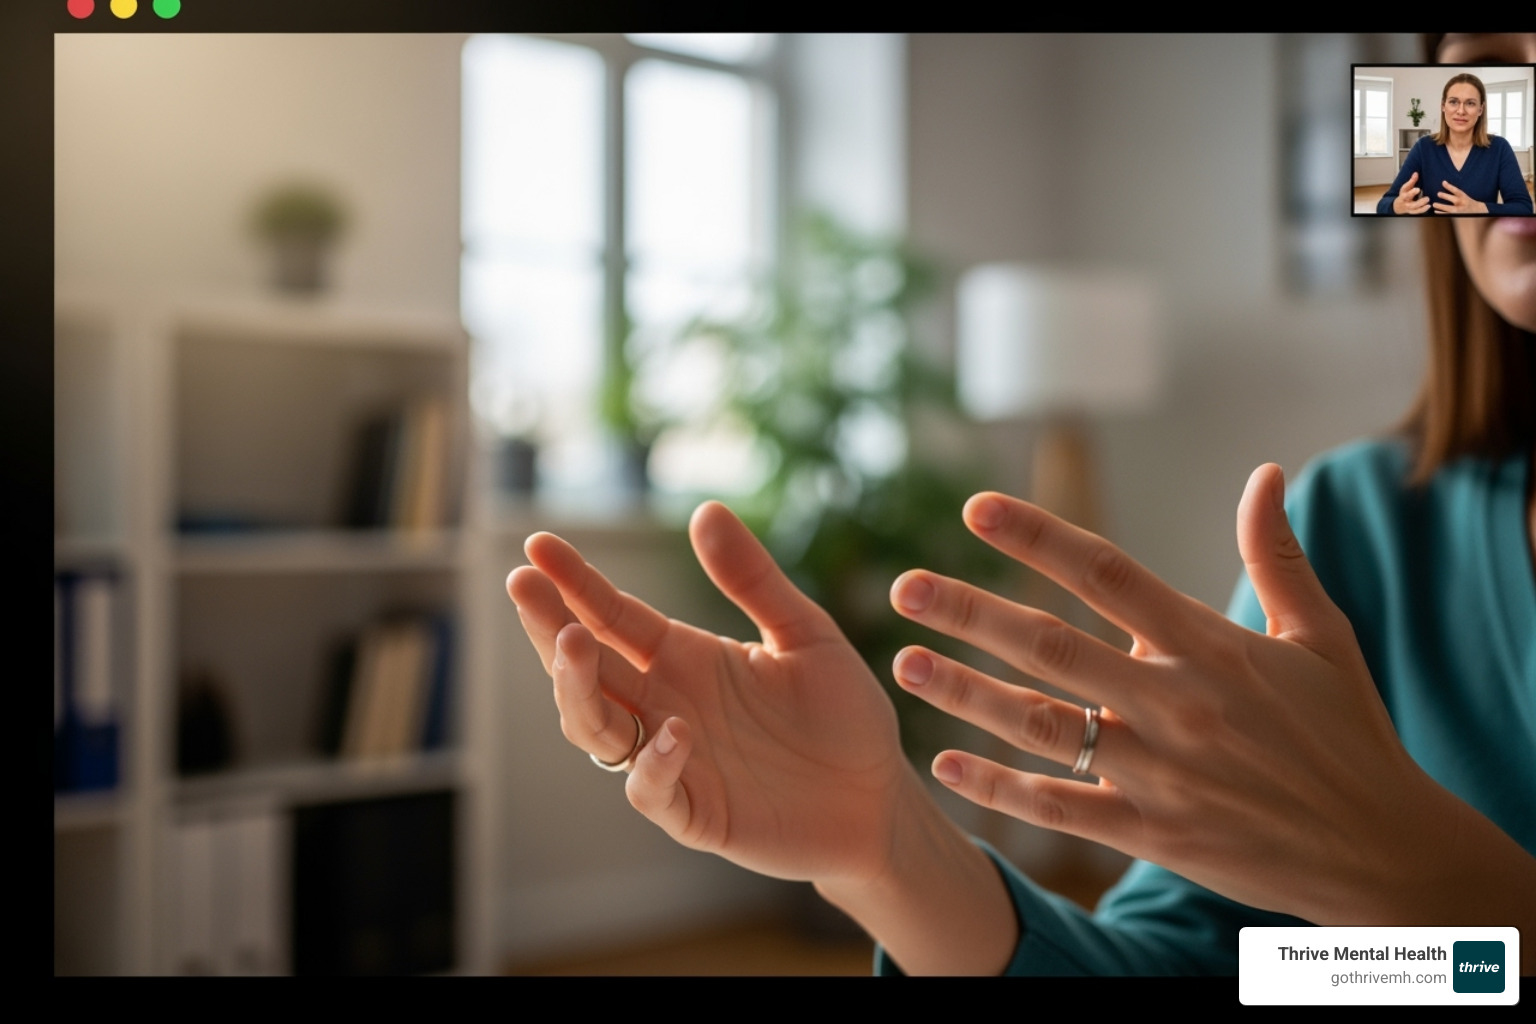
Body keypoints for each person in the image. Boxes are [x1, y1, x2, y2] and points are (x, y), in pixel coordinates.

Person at [507, 32, 1536, 976]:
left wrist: (1435, 886)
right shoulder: (1364, 528)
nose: (1508, 119)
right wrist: (882, 846)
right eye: (1489, 69)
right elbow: (1244, 979)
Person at [1378, 71, 1533, 216]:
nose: (1461, 111)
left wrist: (1479, 208)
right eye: (1453, 102)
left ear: (1481, 109)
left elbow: (1524, 208)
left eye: (1470, 103)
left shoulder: (1499, 148)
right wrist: (1396, 206)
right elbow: (1383, 204)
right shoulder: (1423, 148)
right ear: (1443, 106)